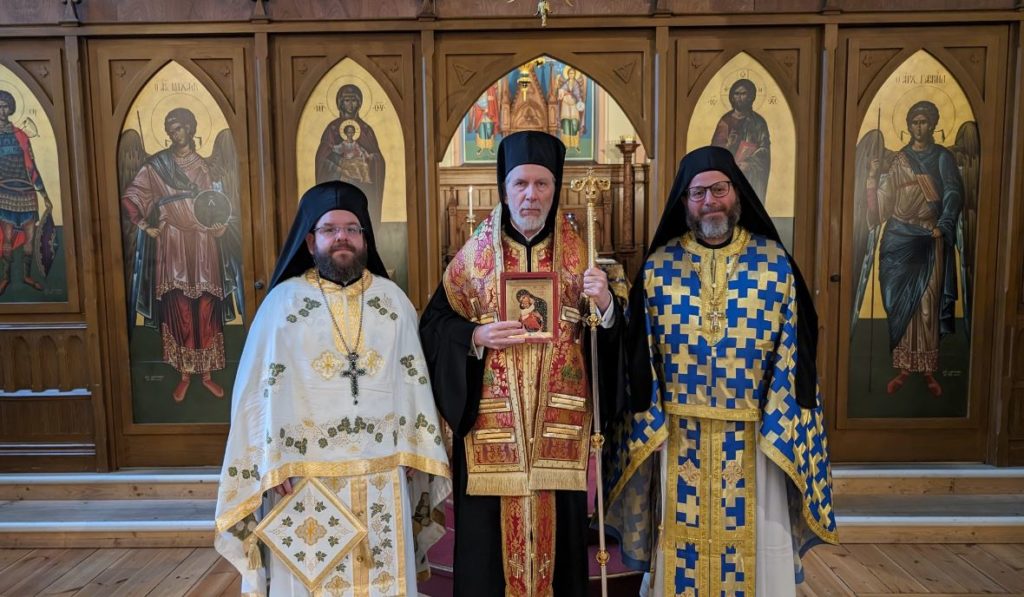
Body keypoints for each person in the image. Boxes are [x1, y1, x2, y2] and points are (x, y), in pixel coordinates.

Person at [602, 146, 837, 596]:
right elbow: (636, 353)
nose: (709, 200)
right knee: (678, 542)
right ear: (684, 202)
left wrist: (780, 423)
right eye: (697, 193)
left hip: (755, 439)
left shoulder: (774, 263)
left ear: (737, 193)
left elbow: (795, 350)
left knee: (758, 542)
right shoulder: (659, 268)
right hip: (678, 434)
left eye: (719, 189)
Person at [214, 181, 451, 596]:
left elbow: (414, 378)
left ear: (364, 238)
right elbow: (255, 395)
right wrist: (269, 463)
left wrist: (416, 446)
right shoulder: (281, 305)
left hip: (383, 470)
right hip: (303, 477)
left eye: (352, 228)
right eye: (329, 229)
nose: (341, 236)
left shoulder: (392, 302)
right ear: (310, 240)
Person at [419, 131, 623, 597]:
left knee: (564, 553)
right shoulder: (472, 261)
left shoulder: (583, 257)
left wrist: (607, 304)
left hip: (561, 436)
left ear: (556, 188)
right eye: (521, 184)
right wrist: (474, 335)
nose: (531, 195)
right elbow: (434, 327)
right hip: (492, 432)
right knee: (486, 557)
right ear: (504, 187)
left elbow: (612, 342)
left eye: (542, 184)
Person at [120, 108, 238, 402]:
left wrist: (222, 227)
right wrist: (143, 225)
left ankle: (208, 374)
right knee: (179, 305)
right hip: (172, 239)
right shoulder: (156, 165)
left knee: (207, 305)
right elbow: (131, 195)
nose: (176, 133)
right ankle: (184, 375)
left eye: (180, 127)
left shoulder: (208, 167)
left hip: (203, 239)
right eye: (171, 128)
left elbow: (222, 204)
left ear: (191, 128)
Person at [866, 100, 964, 397]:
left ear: (933, 124)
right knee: (899, 304)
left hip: (929, 237)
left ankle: (929, 370)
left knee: (926, 304)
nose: (919, 127)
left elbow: (953, 192)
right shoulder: (898, 160)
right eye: (915, 122)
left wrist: (944, 225)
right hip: (898, 237)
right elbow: (882, 206)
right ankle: (904, 367)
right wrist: (871, 179)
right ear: (908, 125)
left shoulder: (942, 158)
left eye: (924, 121)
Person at [0, 89, 51, 296]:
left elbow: (32, 166)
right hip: (5, 192)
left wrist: (44, 195)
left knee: (30, 238)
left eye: (4, 106)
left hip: (27, 192)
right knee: (8, 239)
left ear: (10, 108)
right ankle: (5, 277)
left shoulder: (20, 135)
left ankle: (26, 275)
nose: (1, 110)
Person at [315, 84, 386, 228]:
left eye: (354, 100)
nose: (350, 104)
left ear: (359, 103)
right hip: (339, 184)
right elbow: (322, 156)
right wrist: (340, 161)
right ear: (340, 103)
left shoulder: (365, 130)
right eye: (347, 100)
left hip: (362, 185)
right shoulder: (333, 129)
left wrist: (369, 160)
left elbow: (377, 158)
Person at [711, 78, 771, 203]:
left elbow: (764, 149)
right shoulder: (725, 121)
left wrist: (749, 164)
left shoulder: (758, 122)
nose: (739, 97)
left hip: (750, 175)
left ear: (751, 97)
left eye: (743, 94)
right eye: (736, 94)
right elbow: (714, 151)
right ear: (731, 97)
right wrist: (728, 145)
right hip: (729, 174)